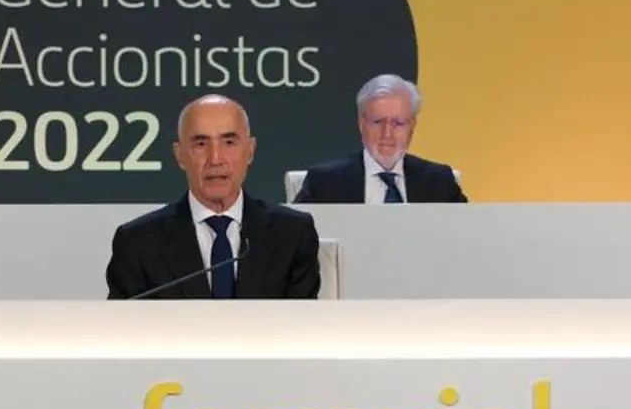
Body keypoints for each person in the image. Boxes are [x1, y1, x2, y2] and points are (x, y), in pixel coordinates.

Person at [106, 95, 320, 300]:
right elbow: (122, 324)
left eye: (229, 142)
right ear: (179, 155)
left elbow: (304, 322)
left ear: (250, 151)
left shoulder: (293, 235)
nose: (215, 159)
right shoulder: (138, 243)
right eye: (201, 144)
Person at [293, 74, 467, 204]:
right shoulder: (324, 182)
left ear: (412, 126)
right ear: (361, 123)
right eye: (377, 122)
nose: (387, 134)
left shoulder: (440, 182)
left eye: (398, 123)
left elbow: (468, 234)